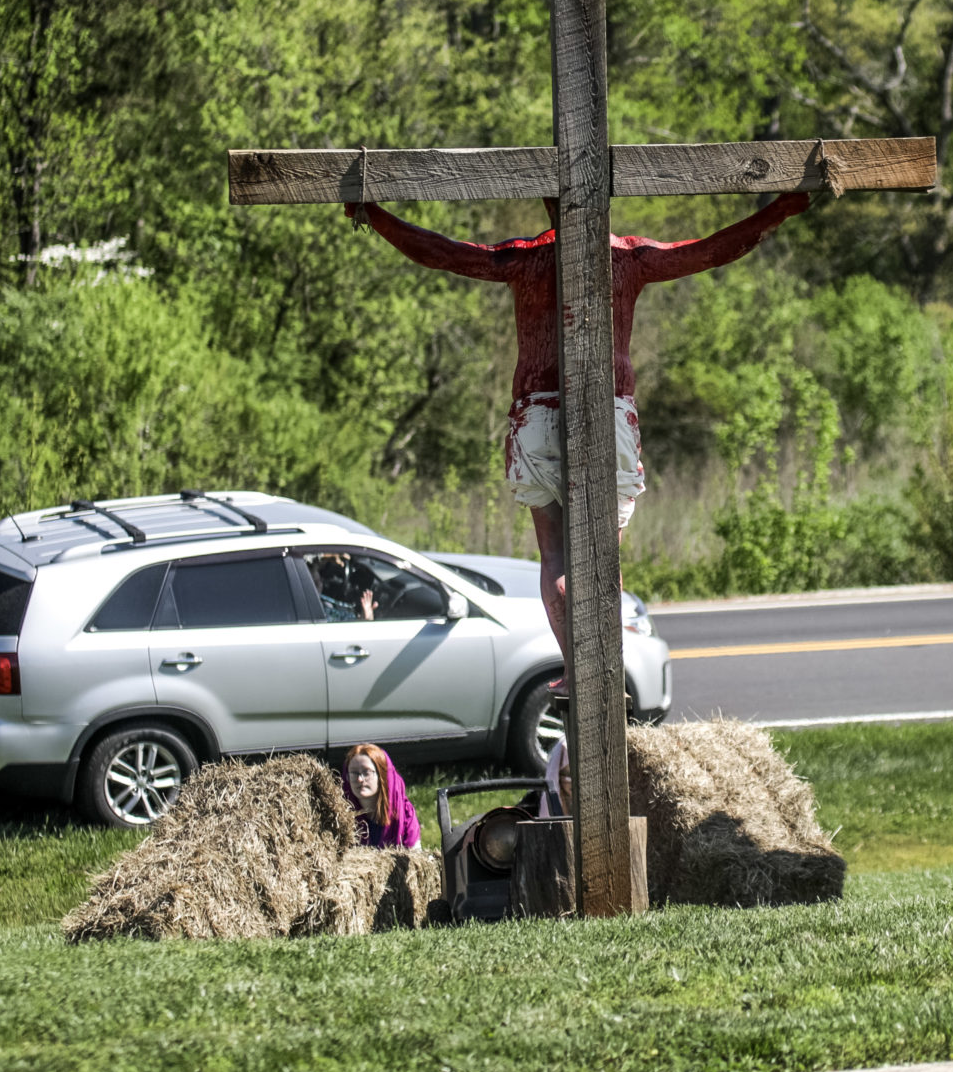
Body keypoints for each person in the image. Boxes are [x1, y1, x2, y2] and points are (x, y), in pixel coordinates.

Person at [347, 191, 811, 660]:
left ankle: (576, 665)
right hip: (609, 407)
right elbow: (710, 250)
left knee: (555, 557)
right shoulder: (629, 257)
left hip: (537, 410)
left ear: (546, 204)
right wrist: (778, 211)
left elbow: (442, 252)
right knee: (602, 557)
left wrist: (377, 216)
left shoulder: (525, 258)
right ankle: (603, 668)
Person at [341, 743, 421, 848]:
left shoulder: (406, 815)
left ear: (382, 775)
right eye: (354, 773)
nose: (360, 779)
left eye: (366, 772)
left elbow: (414, 853)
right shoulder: (341, 817)